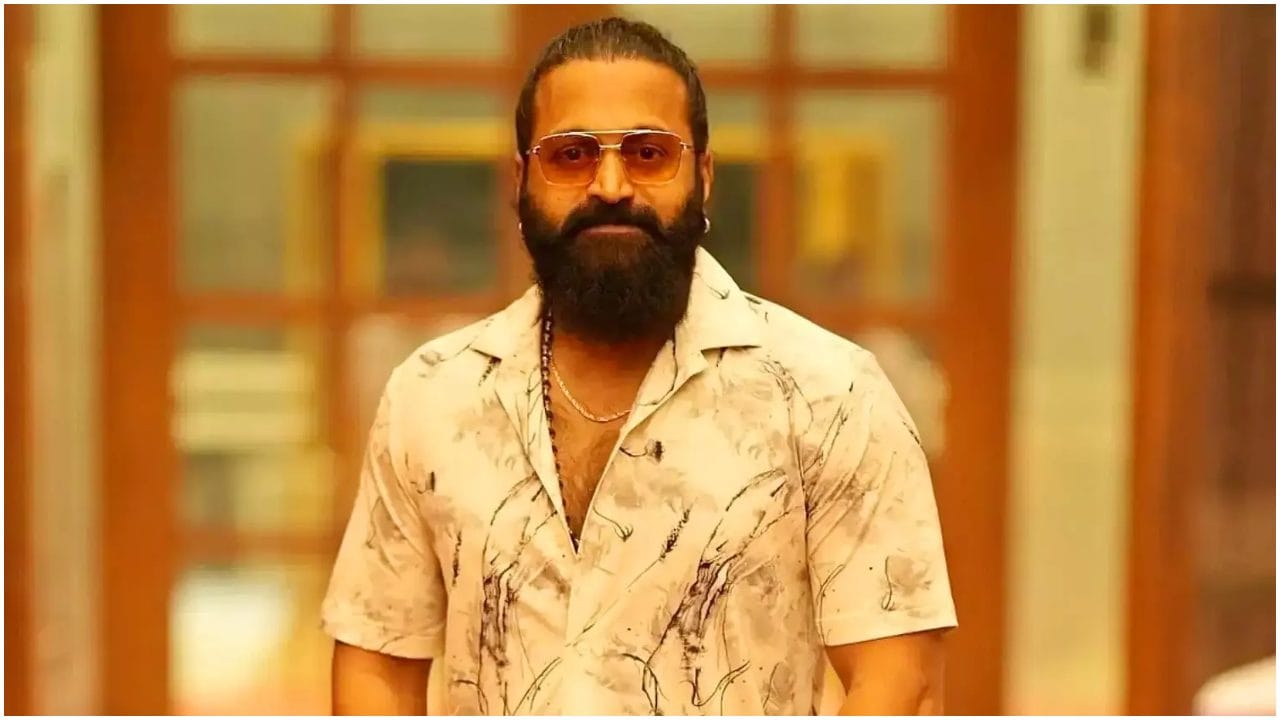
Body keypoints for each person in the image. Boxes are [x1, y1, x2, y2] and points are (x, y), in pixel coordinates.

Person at [324, 17, 957, 716]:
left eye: (649, 153)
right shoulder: (434, 394)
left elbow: (900, 680)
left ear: (703, 176)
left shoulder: (830, 393)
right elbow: (378, 665)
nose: (610, 184)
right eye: (571, 155)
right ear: (522, 180)